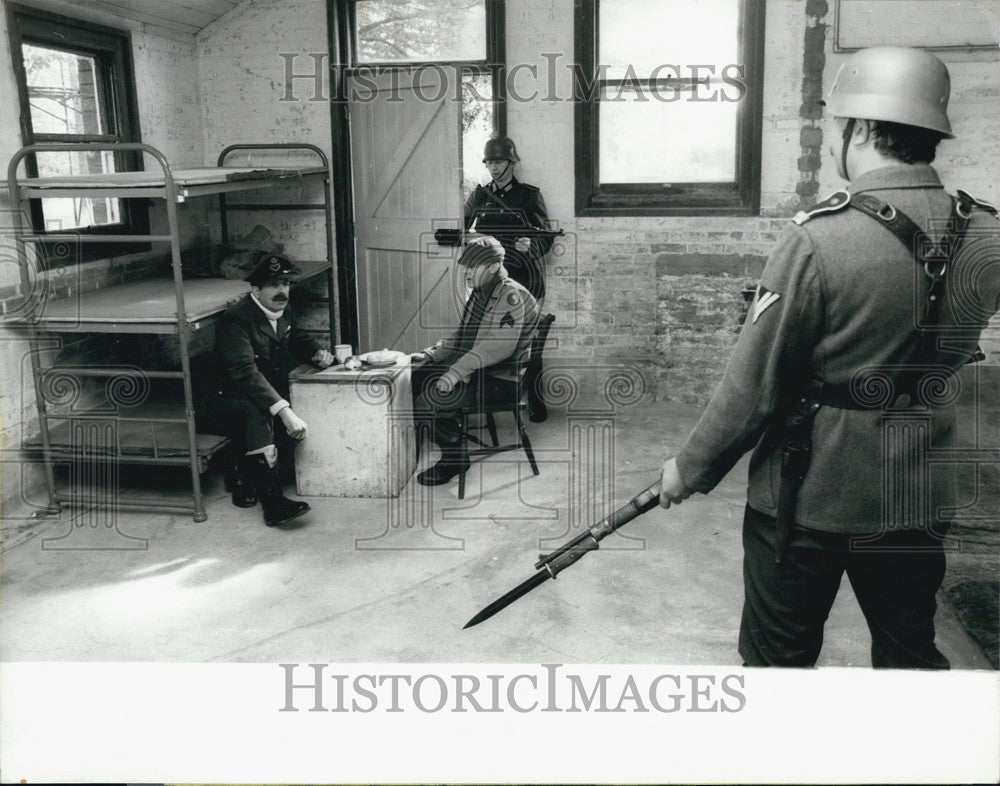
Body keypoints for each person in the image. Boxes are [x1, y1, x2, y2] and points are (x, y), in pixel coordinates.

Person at [657, 47, 1000, 668]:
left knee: (778, 666)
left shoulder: (819, 236)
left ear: (860, 128)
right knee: (909, 656)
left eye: (837, 122)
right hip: (917, 491)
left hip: (810, 493)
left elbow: (753, 386)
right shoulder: (987, 232)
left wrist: (691, 466)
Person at [196, 253, 335, 526]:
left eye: (286, 283)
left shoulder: (281, 308)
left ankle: (242, 476)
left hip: (253, 391)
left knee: (283, 411)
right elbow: (244, 372)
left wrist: (316, 352)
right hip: (220, 398)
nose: (282, 290)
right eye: (273, 284)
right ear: (256, 290)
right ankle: (273, 505)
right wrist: (283, 410)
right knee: (258, 412)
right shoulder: (236, 319)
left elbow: (296, 337)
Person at [410, 235, 539, 486]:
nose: (466, 272)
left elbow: (499, 345)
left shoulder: (511, 295)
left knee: (427, 402)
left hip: (500, 380)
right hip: (479, 371)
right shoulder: (482, 292)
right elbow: (463, 335)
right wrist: (431, 354)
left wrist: (455, 372)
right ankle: (447, 435)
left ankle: (455, 458)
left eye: (472, 267)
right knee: (414, 378)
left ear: (493, 267)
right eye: (466, 267)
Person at [464, 136, 554, 422]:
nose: (493, 167)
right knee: (484, 338)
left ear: (511, 163)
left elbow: (546, 237)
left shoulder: (528, 196)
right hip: (490, 281)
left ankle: (536, 401)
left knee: (528, 344)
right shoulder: (479, 196)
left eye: (499, 161)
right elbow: (460, 227)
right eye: (489, 162)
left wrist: (532, 245)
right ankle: (482, 397)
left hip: (524, 279)